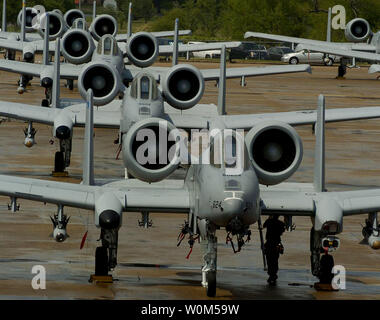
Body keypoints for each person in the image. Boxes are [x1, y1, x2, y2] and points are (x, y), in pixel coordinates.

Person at [263, 215, 286, 285]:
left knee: (269, 260)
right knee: (275, 259)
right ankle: (273, 274)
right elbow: (282, 231)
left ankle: (272, 275)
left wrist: (269, 218)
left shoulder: (269, 221)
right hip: (276, 243)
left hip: (269, 243)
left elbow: (264, 225)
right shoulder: (281, 223)